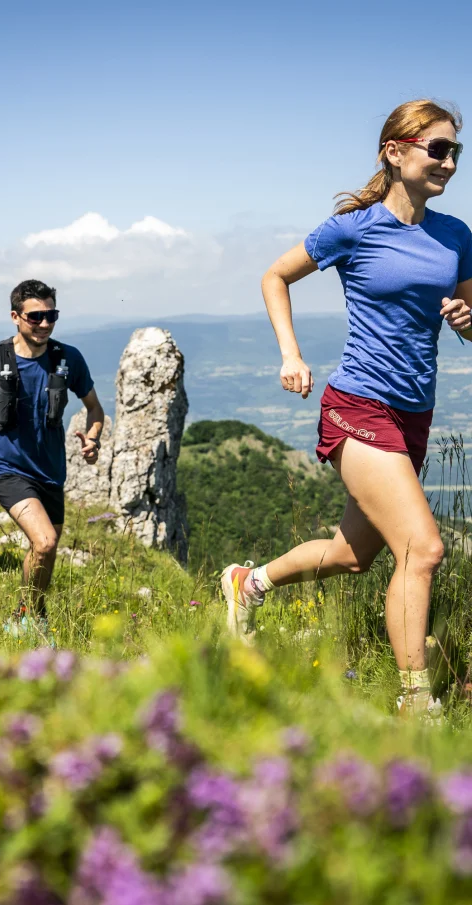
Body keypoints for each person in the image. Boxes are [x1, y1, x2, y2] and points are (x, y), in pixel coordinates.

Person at [221, 99, 472, 717]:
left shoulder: (456, 236)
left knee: (353, 557)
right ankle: (416, 700)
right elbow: (275, 276)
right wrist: (291, 354)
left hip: (414, 414)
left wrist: (469, 321)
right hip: (357, 405)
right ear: (396, 150)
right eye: (437, 148)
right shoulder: (354, 228)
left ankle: (245, 584)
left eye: (455, 152)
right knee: (424, 549)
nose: (448, 162)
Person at [0, 279, 104, 638]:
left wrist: (92, 440)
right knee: (45, 541)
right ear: (15, 317)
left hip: (50, 471)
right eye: (35, 317)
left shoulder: (68, 359)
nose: (44, 324)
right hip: (7, 467)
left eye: (51, 316)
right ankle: (23, 620)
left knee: (44, 549)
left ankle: (31, 612)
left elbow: (95, 409)